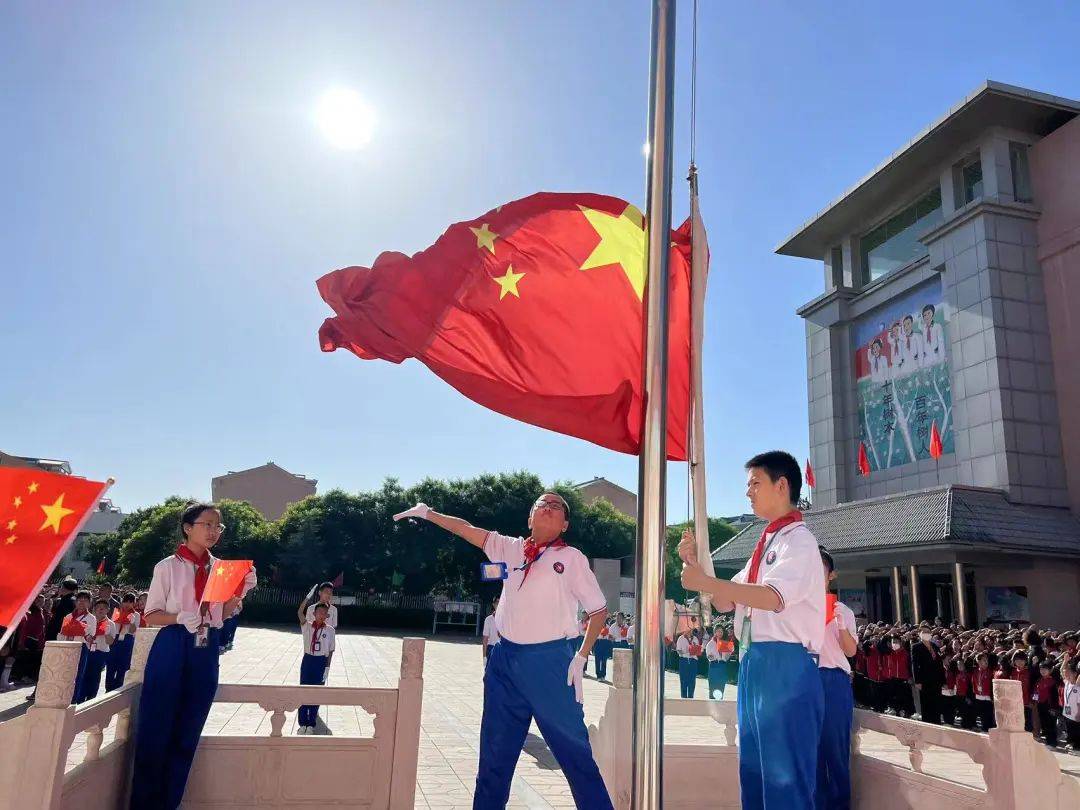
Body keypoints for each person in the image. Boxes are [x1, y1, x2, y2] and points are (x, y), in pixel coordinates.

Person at [394, 492, 613, 810]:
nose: (548, 508)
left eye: (557, 507)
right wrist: (430, 514)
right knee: (494, 761)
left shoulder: (573, 558)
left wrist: (581, 656)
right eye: (542, 504)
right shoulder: (510, 548)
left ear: (564, 524)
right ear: (529, 518)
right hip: (505, 664)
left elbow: (599, 610)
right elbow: (467, 529)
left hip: (551, 665)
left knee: (576, 759)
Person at [679, 451, 825, 810]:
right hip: (755, 661)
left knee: (784, 778)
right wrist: (696, 567)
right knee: (755, 773)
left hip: (786, 664)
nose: (748, 493)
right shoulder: (765, 544)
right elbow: (725, 602)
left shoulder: (799, 541)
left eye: (755, 483)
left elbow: (772, 598)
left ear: (782, 485)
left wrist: (707, 580)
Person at [130, 501, 257, 810]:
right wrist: (179, 617)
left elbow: (221, 614)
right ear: (188, 527)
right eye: (207, 524)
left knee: (188, 732)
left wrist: (240, 592)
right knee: (156, 729)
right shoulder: (168, 566)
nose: (214, 531)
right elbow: (151, 614)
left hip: (205, 644)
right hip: (173, 642)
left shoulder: (222, 569)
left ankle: (169, 803)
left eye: (218, 526)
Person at [817, 547, 857, 810]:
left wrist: (841, 625)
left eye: (820, 570)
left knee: (836, 750)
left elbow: (851, 650)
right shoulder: (795, 609)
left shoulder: (843, 610)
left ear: (831, 575)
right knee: (811, 752)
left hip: (833, 680)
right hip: (805, 680)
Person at [297, 601, 335, 733]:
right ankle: (303, 723)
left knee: (316, 692)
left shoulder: (330, 630)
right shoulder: (307, 626)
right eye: (319, 612)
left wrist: (327, 667)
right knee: (303, 690)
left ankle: (311, 723)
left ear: (327, 616)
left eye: (325, 613)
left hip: (321, 661)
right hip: (308, 659)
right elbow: (299, 613)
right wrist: (307, 599)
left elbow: (330, 651)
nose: (322, 615)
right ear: (314, 613)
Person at [58, 590, 94, 703]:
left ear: (89, 603)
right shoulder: (68, 616)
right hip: (67, 647)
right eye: (79, 600)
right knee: (64, 673)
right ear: (75, 602)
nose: (82, 603)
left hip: (81, 648)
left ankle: (73, 700)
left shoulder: (91, 618)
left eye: (85, 600)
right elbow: (61, 633)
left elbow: (91, 638)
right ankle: (61, 697)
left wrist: (84, 632)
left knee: (77, 675)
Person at [80, 598, 117, 702]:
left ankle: (91, 699)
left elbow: (110, 642)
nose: (100, 610)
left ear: (107, 610)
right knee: (84, 674)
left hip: (100, 652)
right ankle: (80, 698)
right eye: (98, 608)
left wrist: (107, 633)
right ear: (94, 609)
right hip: (88, 651)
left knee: (95, 676)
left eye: (103, 608)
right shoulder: (89, 621)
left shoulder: (111, 624)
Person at [105, 592, 140, 691]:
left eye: (130, 602)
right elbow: (113, 626)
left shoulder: (135, 614)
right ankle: (108, 688)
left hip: (127, 640)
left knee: (122, 666)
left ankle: (118, 688)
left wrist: (132, 622)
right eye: (125, 601)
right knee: (111, 665)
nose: (127, 604)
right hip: (115, 639)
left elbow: (133, 630)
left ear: (134, 603)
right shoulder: (117, 611)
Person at [911, 627, 944, 724]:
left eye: (928, 632)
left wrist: (943, 680)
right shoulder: (916, 647)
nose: (926, 634)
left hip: (936, 679)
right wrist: (917, 681)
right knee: (927, 703)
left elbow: (939, 664)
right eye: (924, 632)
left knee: (936, 702)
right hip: (925, 680)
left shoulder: (934, 646)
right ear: (919, 634)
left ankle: (937, 722)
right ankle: (928, 724)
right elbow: (915, 665)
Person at [705, 626, 735, 700]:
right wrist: (713, 656)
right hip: (714, 665)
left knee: (721, 687)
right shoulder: (711, 643)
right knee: (713, 687)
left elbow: (727, 657)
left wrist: (729, 650)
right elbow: (708, 657)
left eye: (721, 631)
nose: (720, 633)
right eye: (718, 631)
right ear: (715, 632)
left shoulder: (725, 643)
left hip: (722, 666)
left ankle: (720, 706)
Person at [1032, 661, 1058, 747]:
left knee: (1051, 725)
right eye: (1041, 669)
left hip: (1049, 706)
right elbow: (1036, 692)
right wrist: (1034, 701)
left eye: (1045, 669)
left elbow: (1055, 697)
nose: (1043, 671)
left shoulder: (1053, 682)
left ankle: (1053, 742)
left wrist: (1054, 708)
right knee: (1044, 724)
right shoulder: (1039, 680)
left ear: (1050, 670)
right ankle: (1048, 741)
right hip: (1040, 705)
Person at [675, 626, 699, 699]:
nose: (688, 631)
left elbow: (697, 649)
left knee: (692, 680)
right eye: (687, 629)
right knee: (684, 680)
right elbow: (678, 650)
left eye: (690, 629)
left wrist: (695, 650)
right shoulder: (681, 638)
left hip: (693, 660)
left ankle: (691, 698)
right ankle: (684, 698)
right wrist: (686, 651)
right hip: (684, 660)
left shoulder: (695, 639)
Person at [482, 599, 501, 664]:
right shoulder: (488, 619)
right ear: (493, 604)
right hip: (491, 648)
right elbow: (485, 639)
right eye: (497, 603)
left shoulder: (507, 619)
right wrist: (484, 656)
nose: (499, 605)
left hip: (503, 649)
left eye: (501, 602)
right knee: (489, 673)